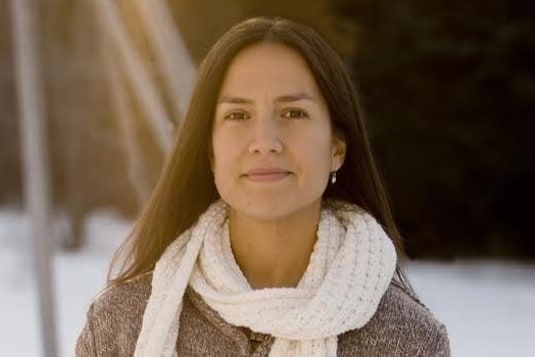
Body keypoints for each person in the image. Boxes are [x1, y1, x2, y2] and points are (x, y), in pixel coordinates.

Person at [76, 16, 449, 357]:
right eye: (238, 115)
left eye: (293, 113)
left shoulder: (409, 341)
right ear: (210, 153)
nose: (265, 141)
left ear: (336, 148)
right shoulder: (121, 324)